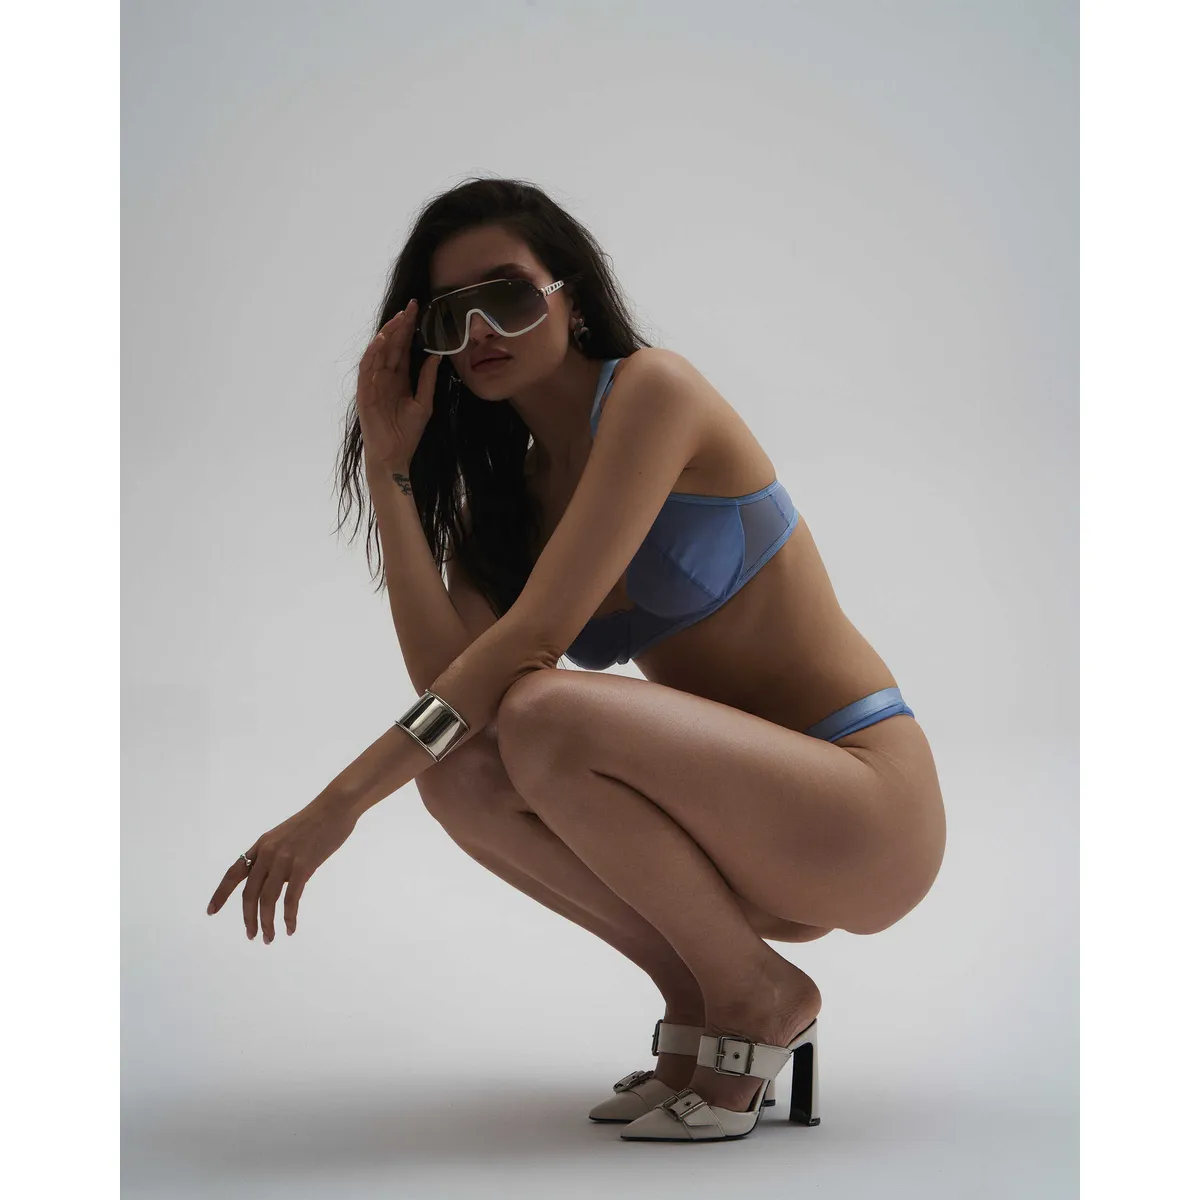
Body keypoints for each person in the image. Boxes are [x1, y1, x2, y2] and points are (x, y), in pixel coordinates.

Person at [207, 177, 946, 1144]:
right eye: (449, 316)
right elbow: (450, 697)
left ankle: (759, 998)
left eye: (507, 295)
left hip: (861, 808)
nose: (480, 329)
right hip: (738, 834)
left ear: (574, 297)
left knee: (541, 709)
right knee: (462, 776)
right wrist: (391, 473)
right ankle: (705, 990)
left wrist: (336, 806)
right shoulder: (505, 503)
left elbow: (525, 651)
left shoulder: (654, 393)